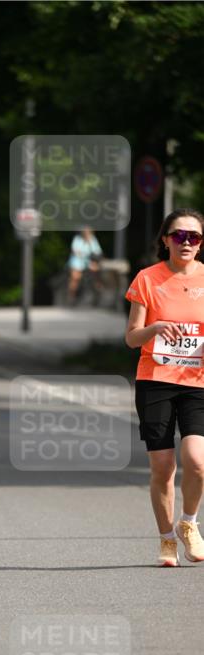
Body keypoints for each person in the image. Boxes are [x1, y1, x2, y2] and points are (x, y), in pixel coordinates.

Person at [125, 208, 204, 566]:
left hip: (197, 383)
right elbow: (130, 338)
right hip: (155, 381)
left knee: (197, 463)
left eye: (194, 237)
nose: (186, 242)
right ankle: (166, 539)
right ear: (165, 239)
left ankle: (189, 523)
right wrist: (155, 329)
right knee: (163, 466)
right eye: (179, 235)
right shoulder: (147, 279)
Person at [67, 227, 103, 304]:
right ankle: (72, 296)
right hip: (77, 262)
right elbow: (75, 251)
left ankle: (97, 292)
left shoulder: (93, 239)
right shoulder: (77, 239)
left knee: (97, 272)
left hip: (88, 262)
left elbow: (97, 252)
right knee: (75, 277)